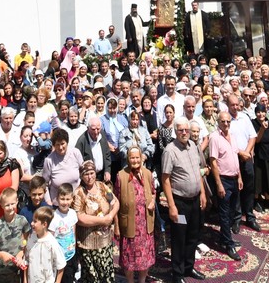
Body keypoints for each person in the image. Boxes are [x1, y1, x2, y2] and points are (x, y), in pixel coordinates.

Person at [161, 117, 208, 283]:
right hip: (180, 203)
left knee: (193, 235)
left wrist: (202, 193)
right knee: (179, 237)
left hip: (195, 200)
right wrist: (172, 206)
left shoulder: (194, 147)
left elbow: (198, 171)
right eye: (180, 130)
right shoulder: (170, 150)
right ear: (175, 131)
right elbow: (165, 179)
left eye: (186, 130)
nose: (184, 133)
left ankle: (189, 267)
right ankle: (178, 273)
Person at [207, 110, 244, 260]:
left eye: (228, 121)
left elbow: (235, 156)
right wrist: (219, 184)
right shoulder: (214, 138)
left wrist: (240, 177)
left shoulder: (232, 136)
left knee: (231, 212)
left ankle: (224, 237)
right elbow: (213, 162)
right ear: (218, 122)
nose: (226, 124)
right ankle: (228, 245)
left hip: (234, 178)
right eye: (223, 121)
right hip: (223, 180)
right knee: (224, 213)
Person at [116, 146, 156, 283]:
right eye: (132, 158)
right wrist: (116, 226)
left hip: (145, 223)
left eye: (137, 157)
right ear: (128, 159)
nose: (135, 160)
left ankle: (142, 280)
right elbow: (116, 201)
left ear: (141, 158)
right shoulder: (121, 175)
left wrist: (152, 202)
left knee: (145, 258)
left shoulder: (148, 173)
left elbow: (153, 191)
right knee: (129, 258)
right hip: (130, 223)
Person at [74, 160, 118, 283]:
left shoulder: (102, 187)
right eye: (86, 174)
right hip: (87, 244)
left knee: (107, 274)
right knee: (92, 277)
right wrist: (102, 220)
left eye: (92, 173)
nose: (89, 177)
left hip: (105, 241)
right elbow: (79, 217)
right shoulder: (79, 193)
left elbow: (115, 202)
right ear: (81, 176)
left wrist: (110, 216)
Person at [0, 188, 30, 283]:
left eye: (12, 204)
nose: (10, 207)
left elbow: (25, 241)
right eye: (7, 205)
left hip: (19, 269)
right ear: (1, 205)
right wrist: (1, 254)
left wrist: (20, 253)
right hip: (4, 272)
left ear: (17, 201)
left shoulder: (22, 221)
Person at [27, 206, 67, 283]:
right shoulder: (31, 237)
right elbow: (27, 260)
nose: (32, 223)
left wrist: (57, 282)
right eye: (32, 220)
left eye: (35, 221)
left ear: (44, 224)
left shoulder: (52, 242)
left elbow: (61, 264)